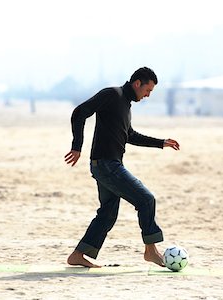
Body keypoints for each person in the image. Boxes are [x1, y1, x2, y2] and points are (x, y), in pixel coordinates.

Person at [64, 67, 180, 268]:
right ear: (137, 83)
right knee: (146, 199)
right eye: (147, 90)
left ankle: (78, 255)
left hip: (107, 165)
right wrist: (77, 146)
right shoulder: (112, 94)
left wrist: (160, 142)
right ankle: (151, 251)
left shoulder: (125, 104)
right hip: (107, 165)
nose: (147, 95)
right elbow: (79, 112)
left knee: (108, 213)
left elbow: (130, 136)